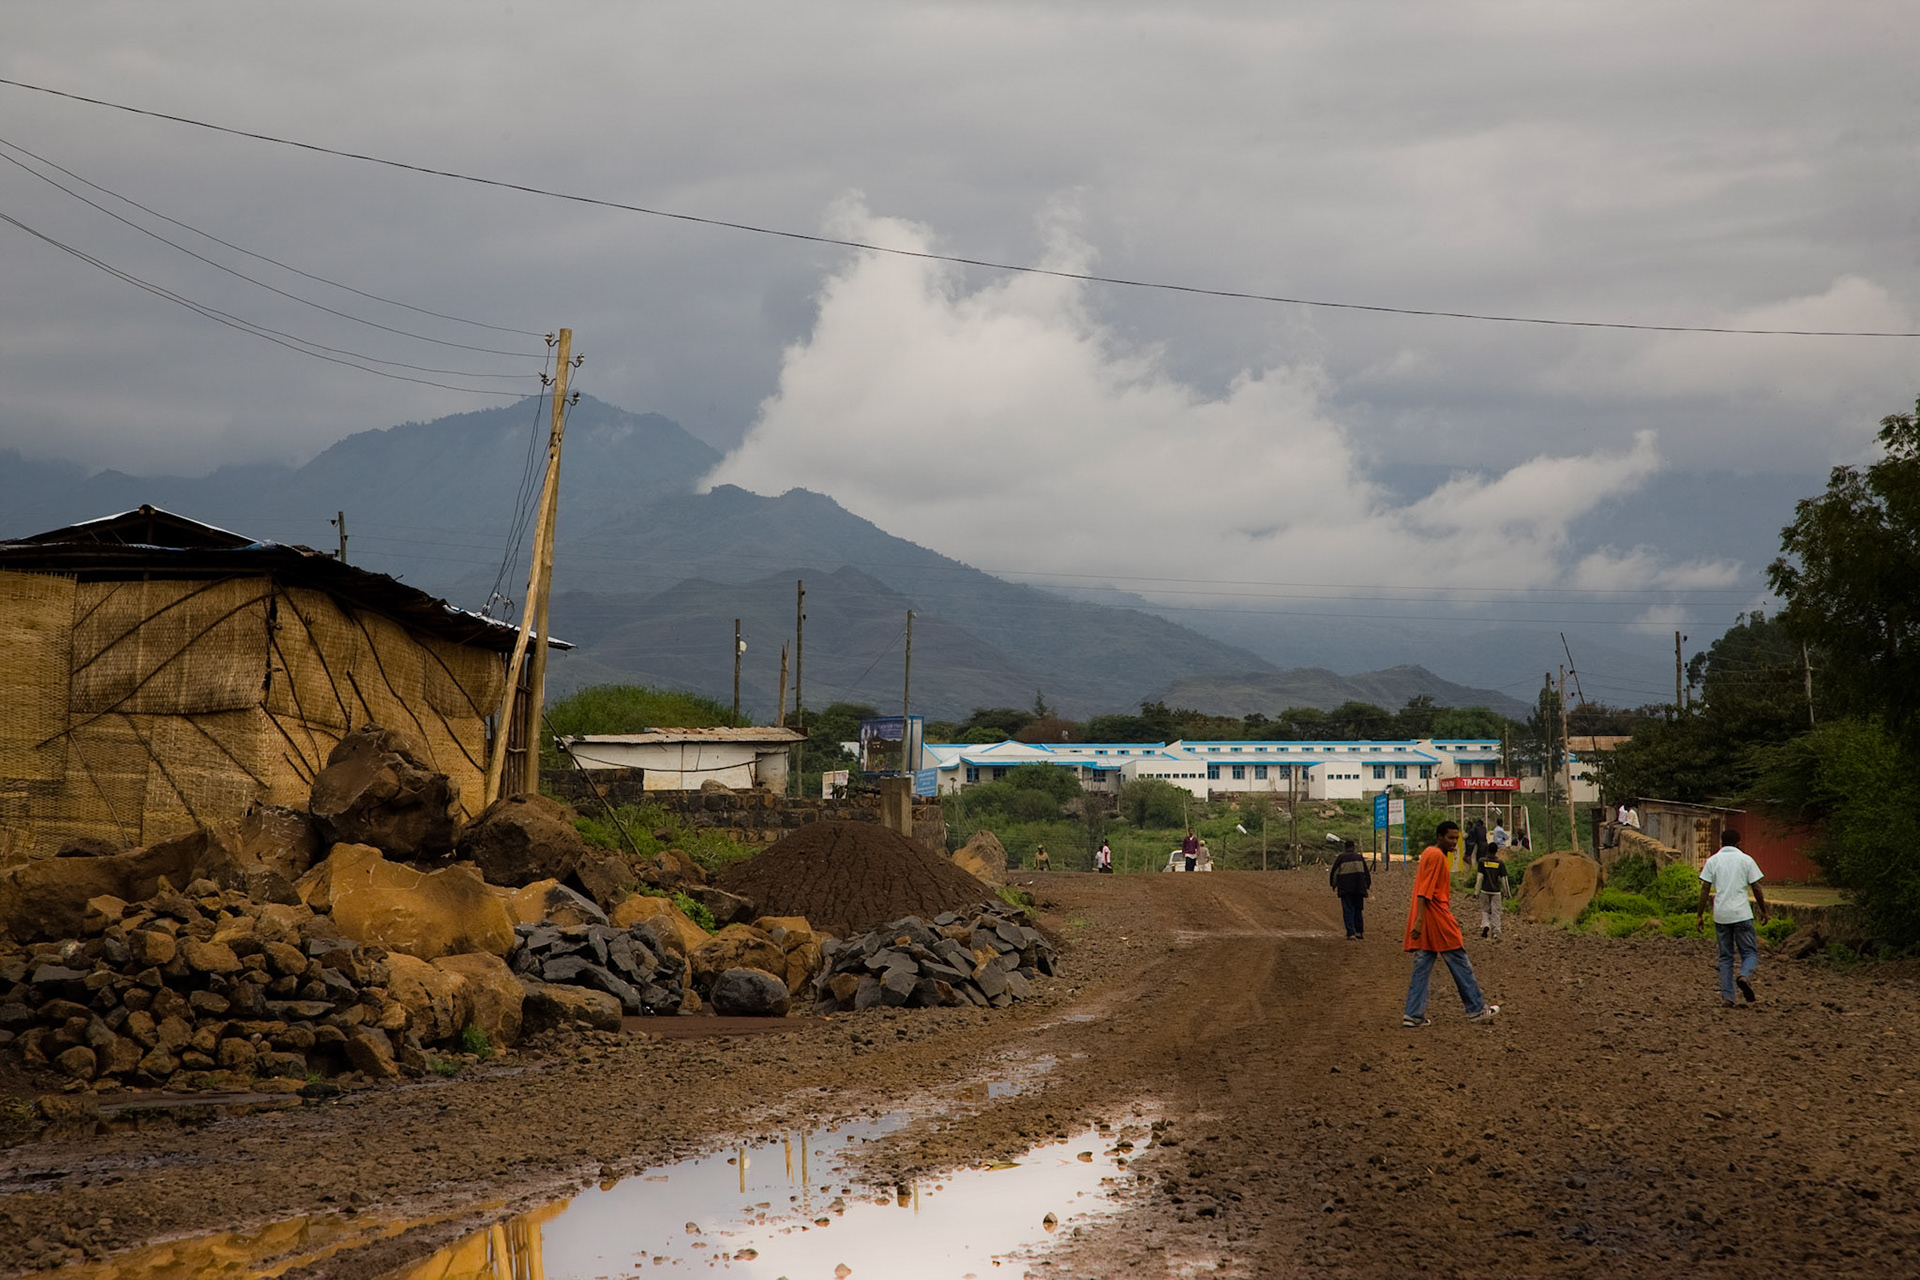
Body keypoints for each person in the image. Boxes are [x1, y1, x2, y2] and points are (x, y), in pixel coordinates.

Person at [1403, 820, 1498, 1027]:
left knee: (1423, 965)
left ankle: (1413, 1014)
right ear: (1439, 837)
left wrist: (1420, 920)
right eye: (1450, 838)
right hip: (1436, 918)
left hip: (1427, 919)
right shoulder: (1437, 856)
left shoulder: (1428, 853)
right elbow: (1424, 891)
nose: (1454, 842)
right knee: (1459, 959)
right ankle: (1476, 1009)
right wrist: (1419, 920)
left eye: (1456, 838)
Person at [1695, 828, 1768, 1006]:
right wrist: (1764, 910)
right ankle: (1744, 975)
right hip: (1742, 913)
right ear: (1738, 842)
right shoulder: (1746, 860)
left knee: (1725, 957)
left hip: (1721, 915)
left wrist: (1699, 915)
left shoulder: (1712, 861)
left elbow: (1705, 888)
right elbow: (1756, 887)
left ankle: (1728, 997)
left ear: (1721, 842)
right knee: (1749, 952)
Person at [1329, 838, 1372, 940]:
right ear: (1353, 847)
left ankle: (1351, 932)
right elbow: (1366, 873)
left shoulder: (1341, 858)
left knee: (1348, 910)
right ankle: (1359, 931)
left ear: (1345, 848)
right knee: (1358, 909)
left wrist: (1333, 885)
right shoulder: (1359, 857)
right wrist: (1367, 886)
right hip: (1359, 888)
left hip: (1346, 889)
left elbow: (1334, 873)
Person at [1472, 844, 1509, 939]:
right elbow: (1503, 879)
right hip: (1496, 891)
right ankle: (1496, 932)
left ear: (1487, 850)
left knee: (1485, 910)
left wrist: (1476, 892)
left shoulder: (1482, 861)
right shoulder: (1500, 863)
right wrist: (1506, 893)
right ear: (1496, 851)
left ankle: (1486, 925)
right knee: (1496, 911)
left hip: (1484, 890)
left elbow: (1479, 878)